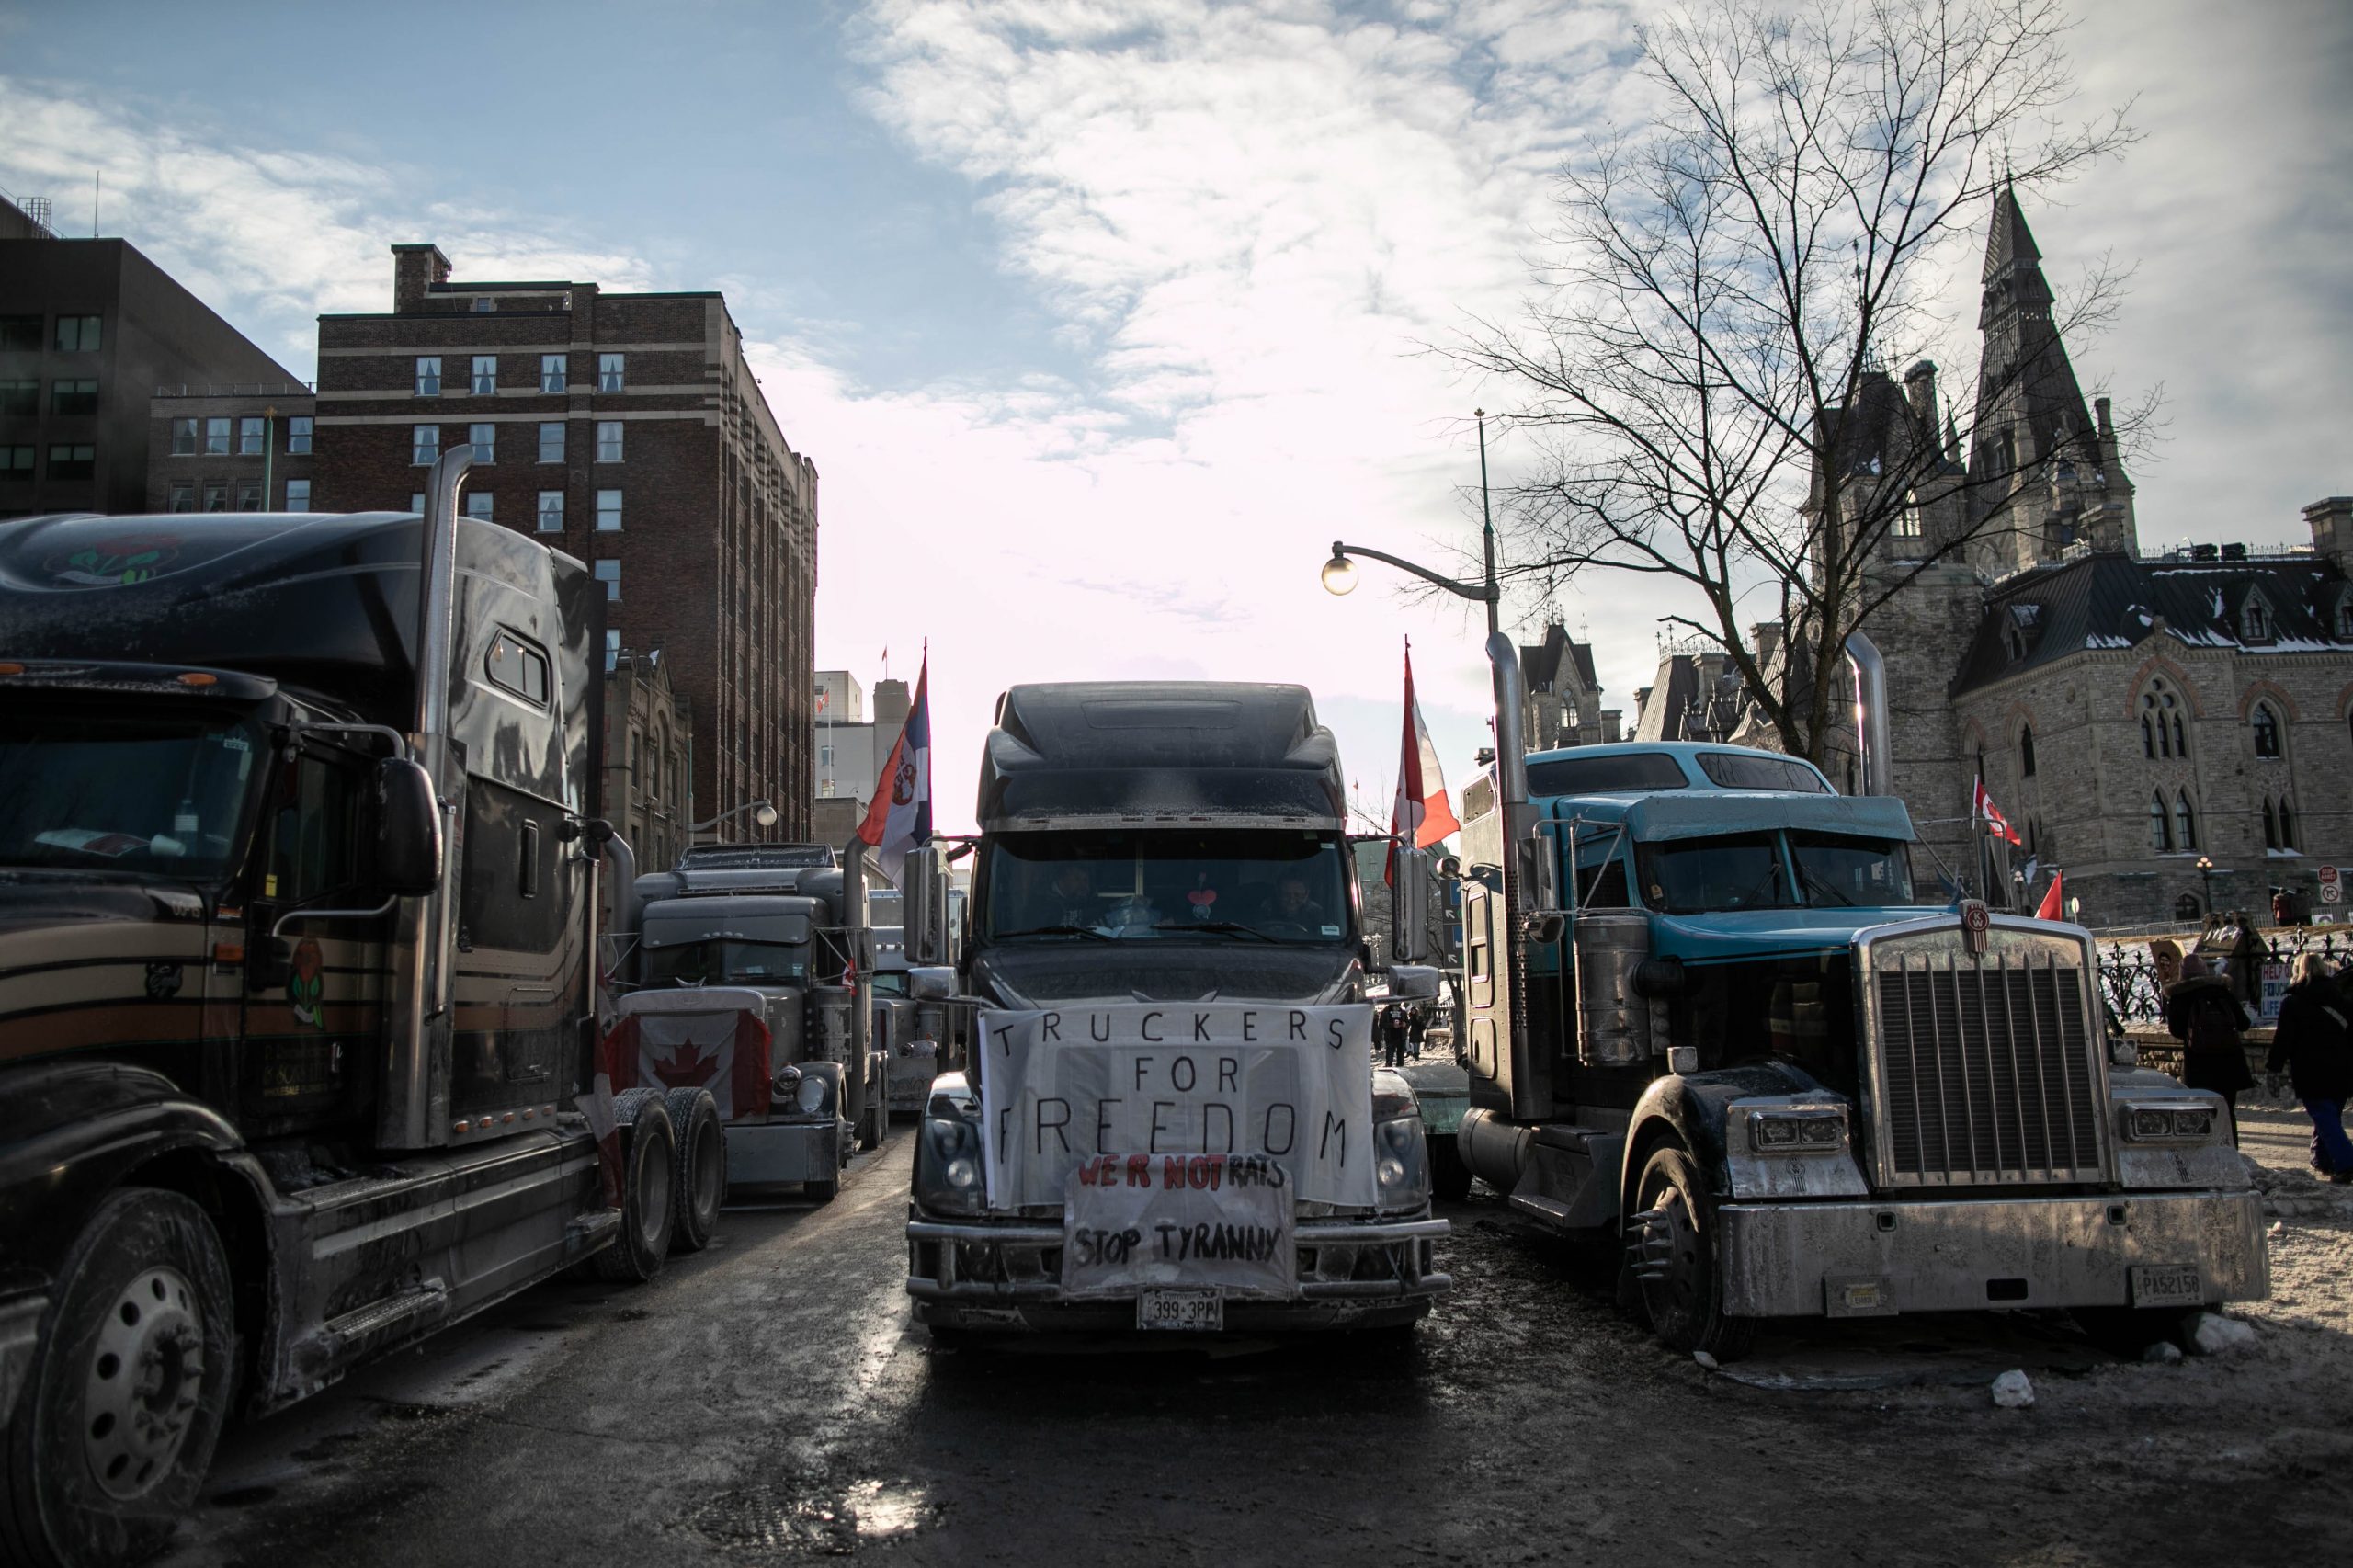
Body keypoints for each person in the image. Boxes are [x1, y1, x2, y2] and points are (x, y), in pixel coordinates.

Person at [2267, 953, 2353, 1182]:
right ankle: (2323, 1160)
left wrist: (2273, 1068)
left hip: (2311, 1070)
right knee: (2329, 1116)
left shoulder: (2293, 1002)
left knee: (2325, 1117)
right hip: (2342, 1068)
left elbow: (2283, 1040)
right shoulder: (2341, 998)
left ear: (2299, 970)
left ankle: (2346, 1163)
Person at [2165, 954, 2255, 1145]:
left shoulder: (2180, 996)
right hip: (2229, 1060)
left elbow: (2175, 1030)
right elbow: (2244, 1023)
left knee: (2202, 1109)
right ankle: (2232, 1148)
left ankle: (2210, 1149)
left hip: (2199, 1062)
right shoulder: (2221, 991)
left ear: (2183, 975)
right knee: (2227, 1108)